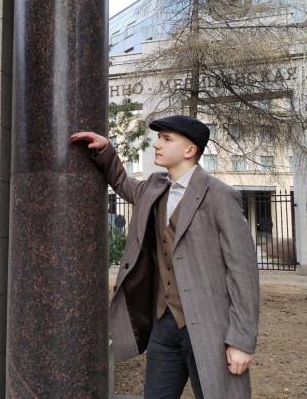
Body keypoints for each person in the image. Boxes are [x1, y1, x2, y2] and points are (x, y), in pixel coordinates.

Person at [70, 115, 259, 399]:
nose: (156, 144)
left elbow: (243, 272)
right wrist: (106, 149)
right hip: (164, 324)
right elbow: (121, 181)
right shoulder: (154, 187)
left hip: (210, 327)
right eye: (159, 138)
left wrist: (241, 341)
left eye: (166, 139)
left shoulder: (220, 195)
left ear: (190, 150)